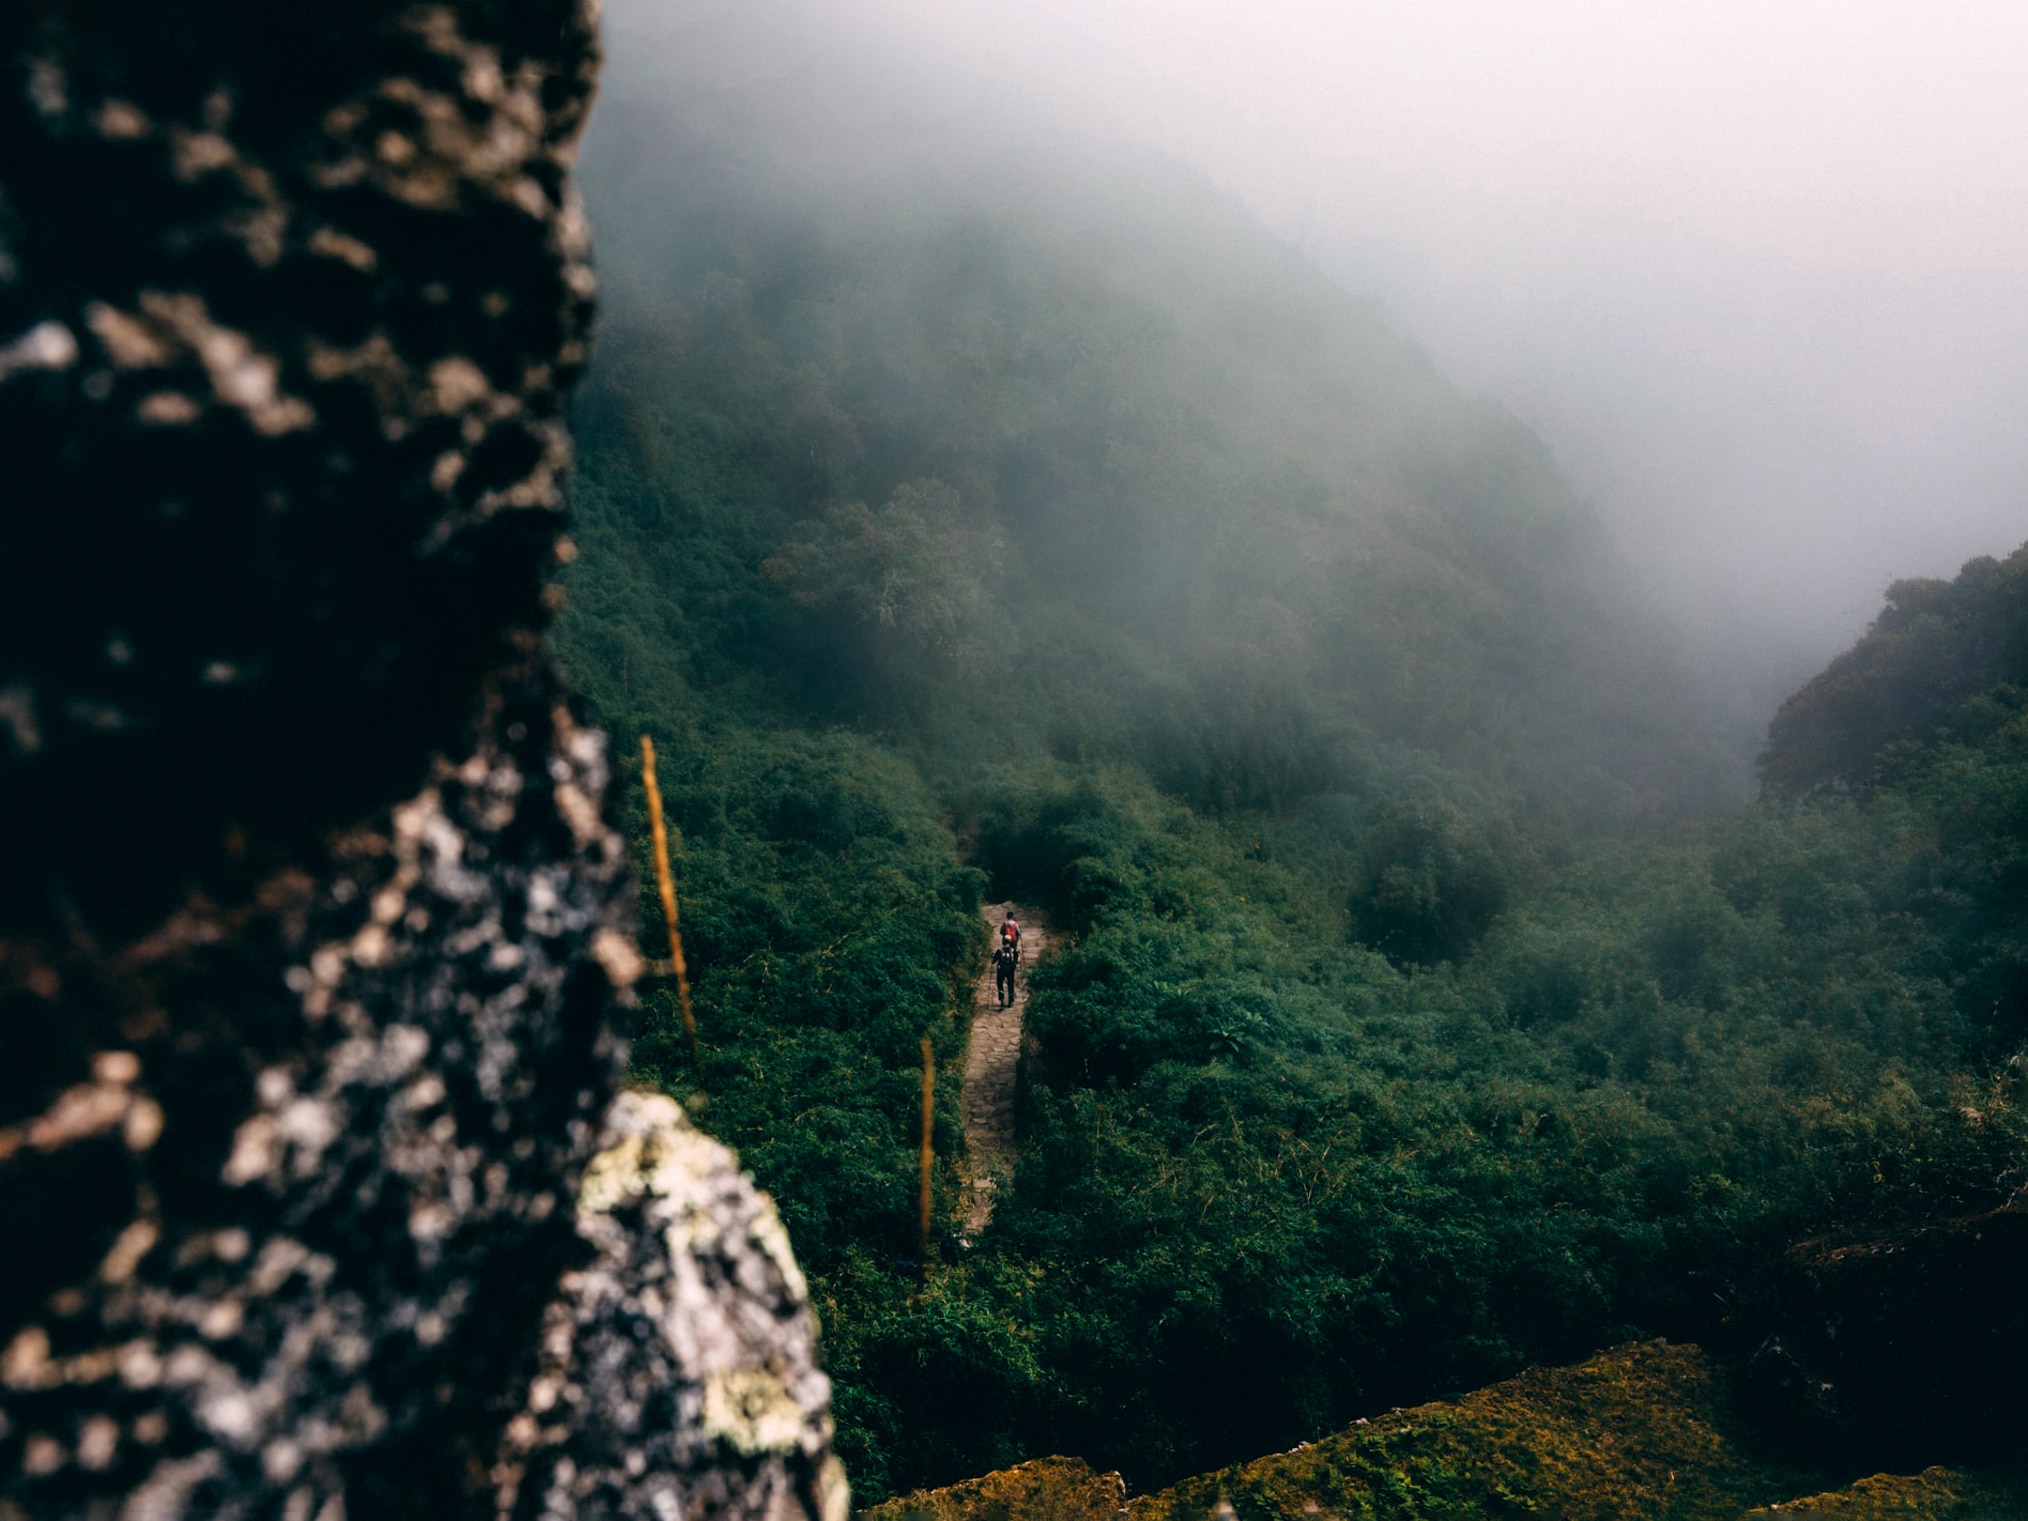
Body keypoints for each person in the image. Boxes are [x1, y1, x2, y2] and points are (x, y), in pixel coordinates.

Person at [993, 938, 1020, 1008]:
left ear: (1003, 942)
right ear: (1010, 943)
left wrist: (992, 958)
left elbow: (994, 960)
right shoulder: (1013, 951)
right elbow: (1017, 960)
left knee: (1000, 983)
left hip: (1001, 970)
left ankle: (1002, 999)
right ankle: (1010, 1001)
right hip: (1010, 970)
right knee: (1010, 984)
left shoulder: (999, 951)